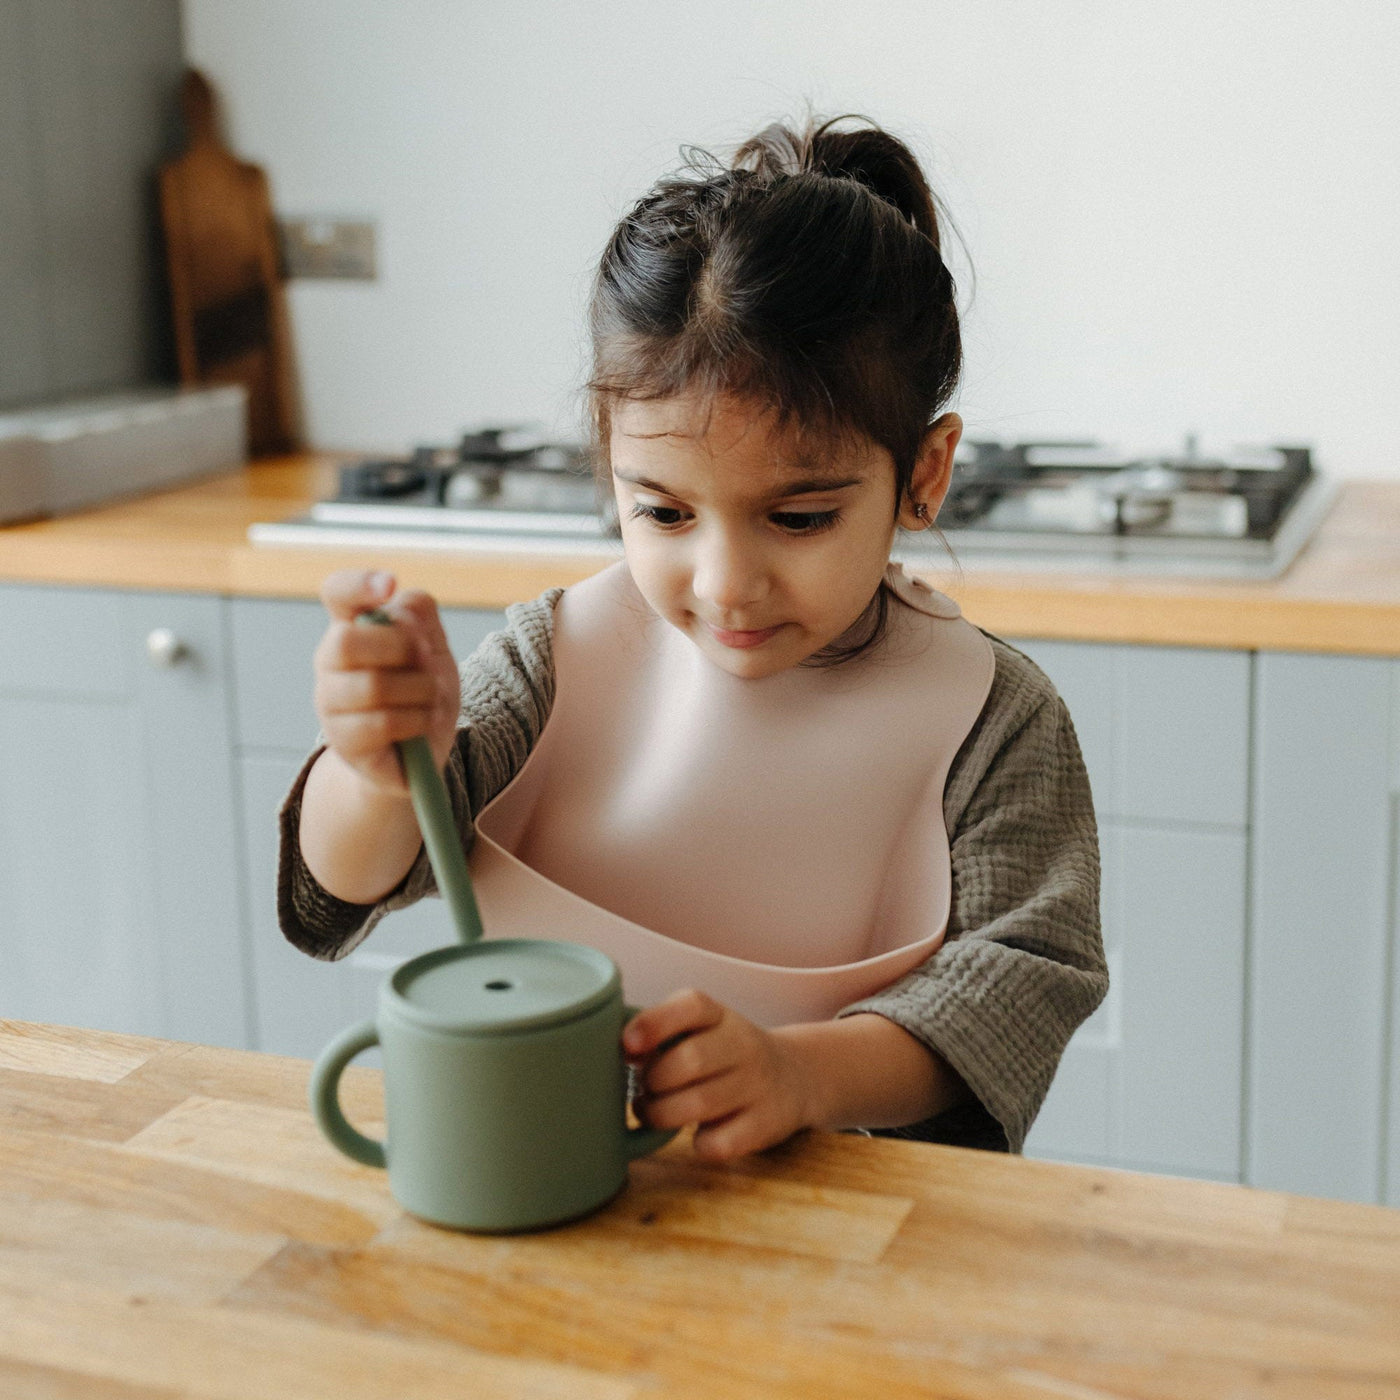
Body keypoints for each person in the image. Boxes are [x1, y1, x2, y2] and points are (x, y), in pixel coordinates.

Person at [279, 115, 1107, 1162]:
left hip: (864, 1240)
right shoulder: (551, 659)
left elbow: (1020, 980)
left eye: (798, 517)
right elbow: (343, 887)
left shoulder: (995, 717)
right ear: (608, 463)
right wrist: (374, 767)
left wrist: (802, 1071)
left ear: (925, 475)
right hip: (559, 1194)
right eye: (664, 513)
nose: (724, 584)